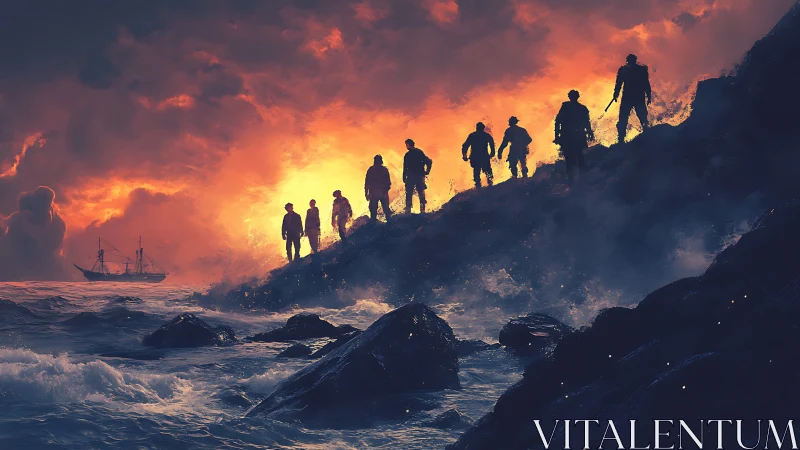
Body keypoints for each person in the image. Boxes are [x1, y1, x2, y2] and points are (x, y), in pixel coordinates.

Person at [555, 90, 595, 183]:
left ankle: (572, 180)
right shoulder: (582, 108)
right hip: (577, 135)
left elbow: (558, 121)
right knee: (579, 156)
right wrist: (589, 133)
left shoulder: (565, 106)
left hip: (568, 135)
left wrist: (557, 136)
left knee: (570, 158)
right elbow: (587, 123)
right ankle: (582, 179)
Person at [613, 53, 652, 144]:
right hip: (630, 97)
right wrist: (616, 93)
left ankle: (647, 133)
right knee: (623, 118)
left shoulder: (640, 70)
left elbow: (646, 83)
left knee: (641, 116)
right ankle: (621, 138)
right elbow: (618, 83)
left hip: (636, 97)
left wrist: (648, 95)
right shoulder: (624, 70)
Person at [402, 139, 433, 214]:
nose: (406, 146)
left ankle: (409, 211)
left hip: (414, 177)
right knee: (419, 193)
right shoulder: (418, 152)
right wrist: (427, 171)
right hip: (418, 176)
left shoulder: (410, 154)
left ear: (409, 144)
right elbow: (429, 161)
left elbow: (405, 167)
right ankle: (421, 211)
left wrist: (404, 176)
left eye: (406, 145)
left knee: (410, 193)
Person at [461, 122, 496, 187]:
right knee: (488, 171)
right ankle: (490, 184)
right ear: (483, 128)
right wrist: (492, 153)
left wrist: (464, 155)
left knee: (476, 171)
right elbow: (492, 144)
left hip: (475, 157)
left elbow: (465, 146)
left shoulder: (472, 135)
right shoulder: (486, 135)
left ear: (477, 128)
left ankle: (478, 186)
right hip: (484, 156)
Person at [365, 154, 392, 222]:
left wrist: (366, 193)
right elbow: (367, 182)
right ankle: (387, 222)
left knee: (382, 209)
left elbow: (388, 183)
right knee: (376, 210)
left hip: (378, 193)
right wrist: (367, 193)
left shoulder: (372, 170)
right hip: (377, 193)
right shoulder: (382, 170)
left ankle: (387, 222)